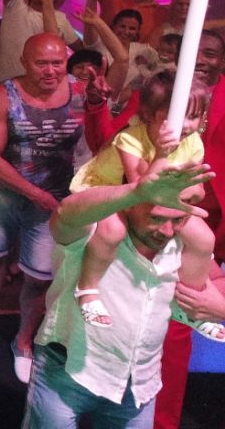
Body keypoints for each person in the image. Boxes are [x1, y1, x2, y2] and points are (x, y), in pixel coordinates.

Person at [25, 161, 223, 427]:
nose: (166, 230)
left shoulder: (184, 242)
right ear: (132, 204)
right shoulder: (96, 230)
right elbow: (65, 213)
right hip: (67, 372)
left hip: (138, 384)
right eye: (156, 217)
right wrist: (136, 191)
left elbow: (217, 280)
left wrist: (218, 307)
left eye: (177, 220)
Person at [68, 71, 224, 340]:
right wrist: (163, 154)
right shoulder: (130, 139)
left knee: (203, 238)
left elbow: (196, 191)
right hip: (110, 191)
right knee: (112, 231)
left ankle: (189, 303)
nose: (186, 126)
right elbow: (141, 188)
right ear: (150, 114)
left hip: (163, 199)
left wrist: (183, 189)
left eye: (194, 116)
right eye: (175, 117)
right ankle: (88, 290)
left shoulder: (192, 142)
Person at [0, 33, 83, 383]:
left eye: (57, 63)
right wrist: (35, 193)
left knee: (39, 276)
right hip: (3, 193)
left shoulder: (81, 93)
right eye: (41, 63)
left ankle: (23, 340)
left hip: (54, 199)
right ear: (24, 62)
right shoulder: (2, 95)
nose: (51, 71)